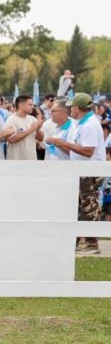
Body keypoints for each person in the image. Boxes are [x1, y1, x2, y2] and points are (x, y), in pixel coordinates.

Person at [47, 93, 105, 254]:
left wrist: (63, 143)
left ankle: (92, 244)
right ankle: (85, 241)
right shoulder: (83, 123)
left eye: (71, 107)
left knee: (89, 206)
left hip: (89, 171)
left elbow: (88, 151)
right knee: (84, 205)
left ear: (77, 108)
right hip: (83, 170)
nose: (69, 110)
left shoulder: (89, 125)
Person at [4, 95, 43, 161]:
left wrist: (38, 129)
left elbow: (41, 139)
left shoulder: (32, 119)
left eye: (32, 105)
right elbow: (12, 139)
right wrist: (31, 130)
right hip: (16, 160)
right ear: (21, 105)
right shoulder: (12, 120)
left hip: (31, 159)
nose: (32, 107)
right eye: (30, 105)